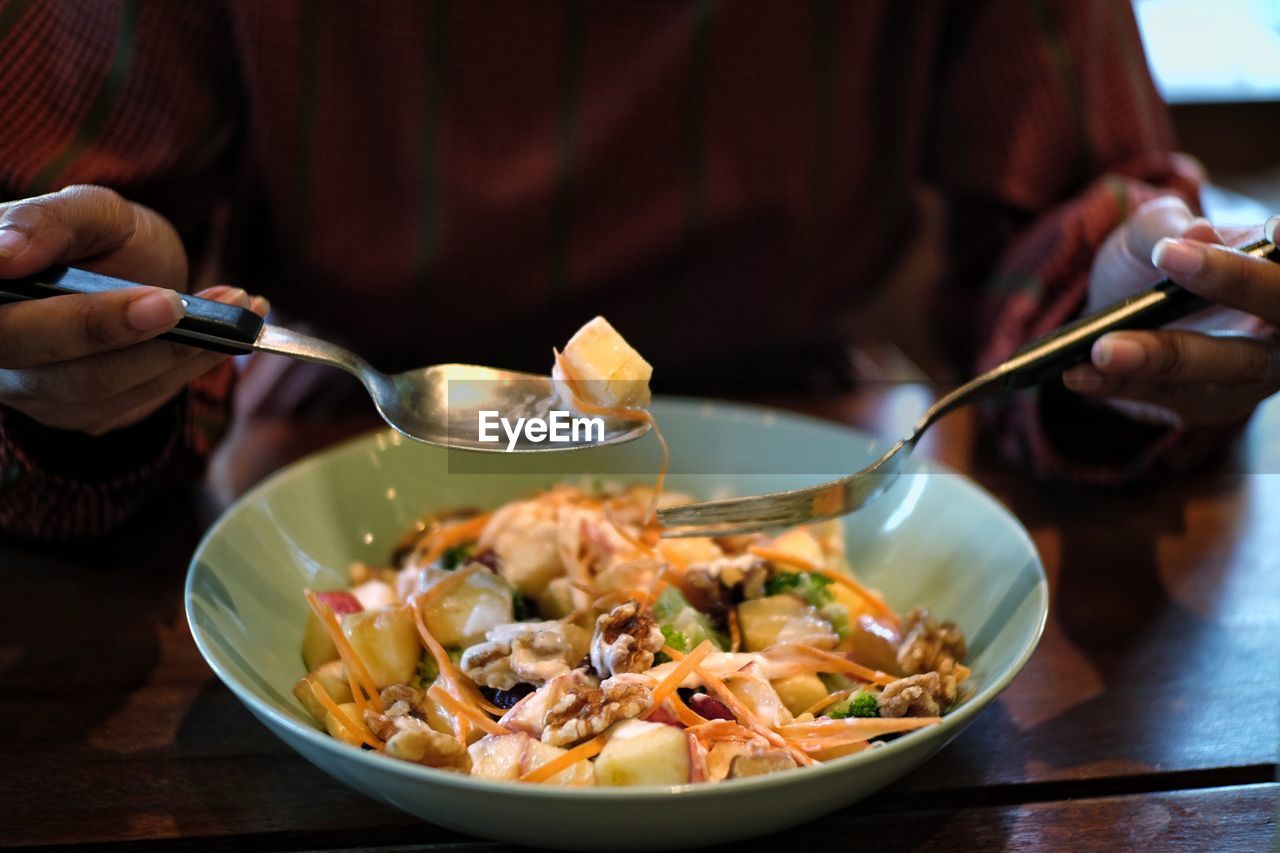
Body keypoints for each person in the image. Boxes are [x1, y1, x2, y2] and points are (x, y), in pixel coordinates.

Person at [0, 0, 1277, 539]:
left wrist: (1137, 305)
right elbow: (77, 221)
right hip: (320, 469)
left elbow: (1067, 226)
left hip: (825, 456)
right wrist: (99, 334)